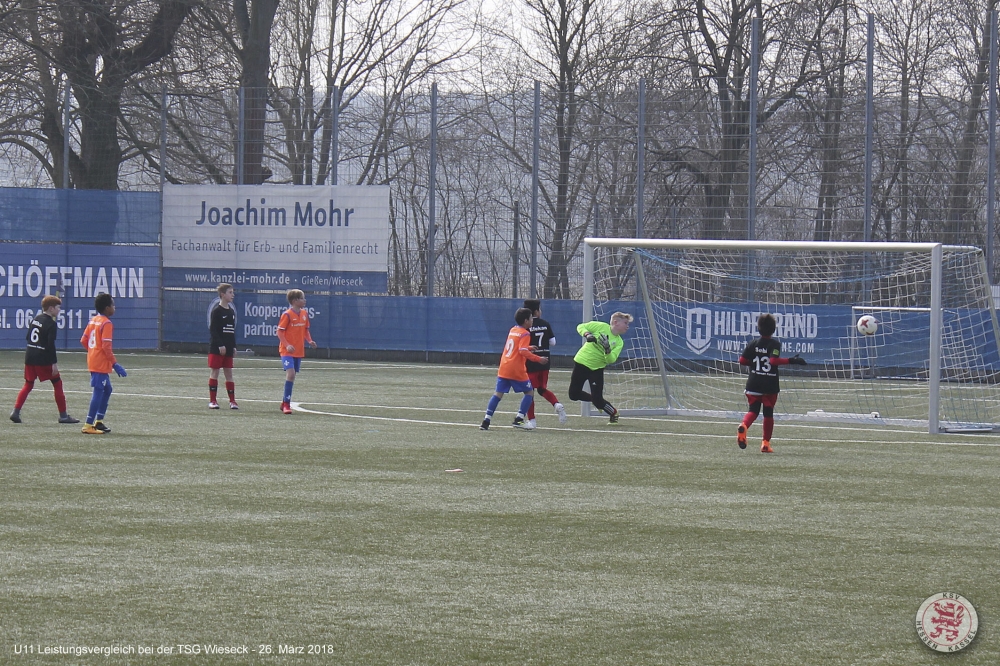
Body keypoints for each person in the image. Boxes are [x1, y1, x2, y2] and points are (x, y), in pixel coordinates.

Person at [737, 313, 806, 453]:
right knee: (768, 413)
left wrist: (754, 365)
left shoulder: (753, 344)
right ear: (773, 329)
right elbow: (773, 360)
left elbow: (742, 361)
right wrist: (792, 360)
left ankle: (744, 425)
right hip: (769, 384)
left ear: (759, 328)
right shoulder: (774, 344)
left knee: (753, 411)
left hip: (754, 383)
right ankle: (765, 444)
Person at [10, 295, 79, 424]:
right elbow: (50, 345)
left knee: (28, 384)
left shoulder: (35, 319)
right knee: (57, 383)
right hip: (42, 358)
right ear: (51, 308)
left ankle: (16, 411)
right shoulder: (51, 324)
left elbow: (28, 337)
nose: (59, 310)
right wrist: (54, 363)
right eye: (58, 307)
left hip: (29, 356)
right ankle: (63, 415)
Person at [480, 307, 548, 430]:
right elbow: (522, 351)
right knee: (529, 392)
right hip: (516, 369)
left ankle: (486, 421)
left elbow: (516, 346)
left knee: (498, 394)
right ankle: (519, 419)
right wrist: (538, 359)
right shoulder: (525, 333)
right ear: (526, 321)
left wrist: (528, 347)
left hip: (504, 367)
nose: (532, 320)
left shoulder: (513, 330)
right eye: (531, 318)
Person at [568, 311, 633, 424]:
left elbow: (611, 360)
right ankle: (595, 400)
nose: (627, 326)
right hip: (581, 363)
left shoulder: (619, 342)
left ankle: (613, 413)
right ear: (616, 322)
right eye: (625, 323)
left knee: (598, 400)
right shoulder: (601, 326)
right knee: (573, 395)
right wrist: (587, 334)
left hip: (596, 369)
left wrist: (607, 349)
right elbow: (580, 326)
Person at [79, 293, 127, 435]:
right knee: (99, 391)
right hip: (100, 364)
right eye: (113, 305)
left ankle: (98, 421)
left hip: (94, 360)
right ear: (107, 308)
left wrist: (93, 351)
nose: (114, 307)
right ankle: (88, 424)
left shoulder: (93, 320)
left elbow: (83, 340)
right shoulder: (106, 323)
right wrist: (115, 364)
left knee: (107, 389)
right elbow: (106, 347)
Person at [522, 299, 567, 427]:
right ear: (536, 311)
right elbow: (553, 342)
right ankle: (556, 404)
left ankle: (532, 420)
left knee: (529, 392)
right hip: (545, 361)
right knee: (542, 389)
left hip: (531, 362)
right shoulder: (545, 324)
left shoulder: (526, 326)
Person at [277, 289, 317, 414]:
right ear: (295, 301)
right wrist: (287, 345)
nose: (304, 300)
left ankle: (284, 401)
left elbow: (305, 330)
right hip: (287, 351)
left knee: (293, 376)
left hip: (298, 350)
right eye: (302, 298)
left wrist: (310, 341)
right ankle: (287, 404)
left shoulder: (304, 313)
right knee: (291, 374)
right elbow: (279, 332)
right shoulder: (287, 315)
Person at [208, 283, 239, 410]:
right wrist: (220, 344)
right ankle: (213, 401)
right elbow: (213, 330)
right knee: (215, 372)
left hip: (228, 348)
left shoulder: (231, 312)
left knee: (229, 373)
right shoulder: (217, 311)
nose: (232, 295)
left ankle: (232, 401)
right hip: (217, 348)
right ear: (223, 294)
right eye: (230, 292)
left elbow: (231, 331)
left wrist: (233, 346)